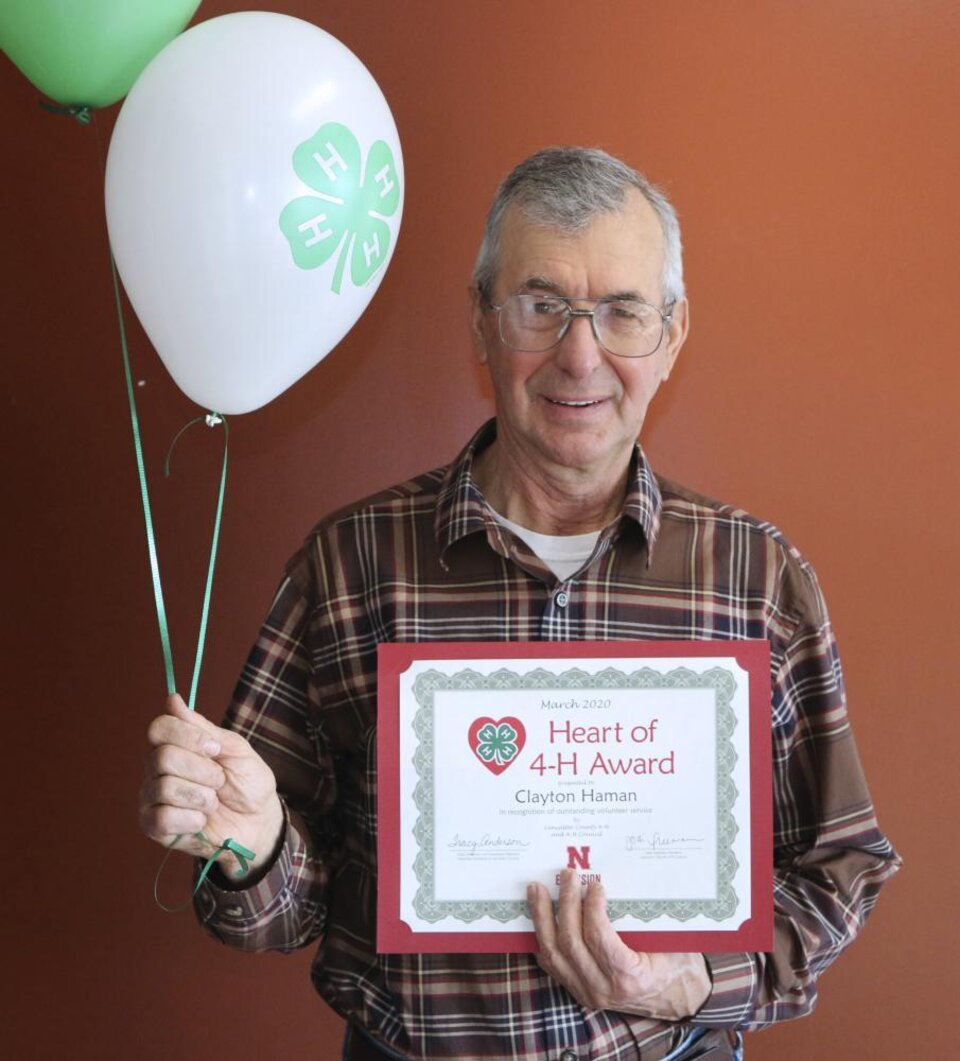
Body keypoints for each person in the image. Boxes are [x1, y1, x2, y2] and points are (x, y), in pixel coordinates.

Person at [139, 147, 900, 1060]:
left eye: (622, 312)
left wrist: (692, 978)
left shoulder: (756, 579)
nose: (581, 354)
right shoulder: (351, 565)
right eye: (542, 307)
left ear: (673, 332)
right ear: (482, 320)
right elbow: (280, 909)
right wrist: (254, 848)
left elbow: (842, 864)